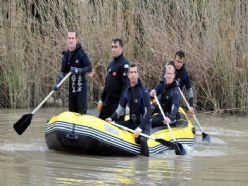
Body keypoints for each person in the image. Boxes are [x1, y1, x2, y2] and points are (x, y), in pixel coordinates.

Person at [106, 63, 151, 157]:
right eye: (131, 72)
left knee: (142, 140)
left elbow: (148, 112)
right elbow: (121, 109)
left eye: (135, 72)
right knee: (114, 126)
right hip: (131, 123)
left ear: (138, 74)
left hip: (143, 125)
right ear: (128, 75)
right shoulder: (127, 91)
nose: (133, 74)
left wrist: (140, 127)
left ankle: (145, 163)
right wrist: (111, 118)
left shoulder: (144, 91)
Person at [53, 30, 92, 114]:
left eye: (73, 38)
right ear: (67, 39)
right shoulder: (66, 55)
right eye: (69, 38)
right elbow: (63, 72)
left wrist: (78, 70)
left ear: (76, 39)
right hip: (72, 90)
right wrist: (57, 84)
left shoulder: (81, 53)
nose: (71, 40)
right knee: (72, 114)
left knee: (81, 113)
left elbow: (89, 68)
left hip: (81, 89)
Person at [98, 38, 129, 120]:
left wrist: (122, 105)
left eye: (115, 47)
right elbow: (107, 84)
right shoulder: (111, 65)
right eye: (112, 47)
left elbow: (126, 86)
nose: (113, 49)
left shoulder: (124, 64)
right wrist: (101, 99)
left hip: (117, 102)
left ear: (121, 48)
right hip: (108, 101)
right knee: (100, 122)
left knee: (115, 127)